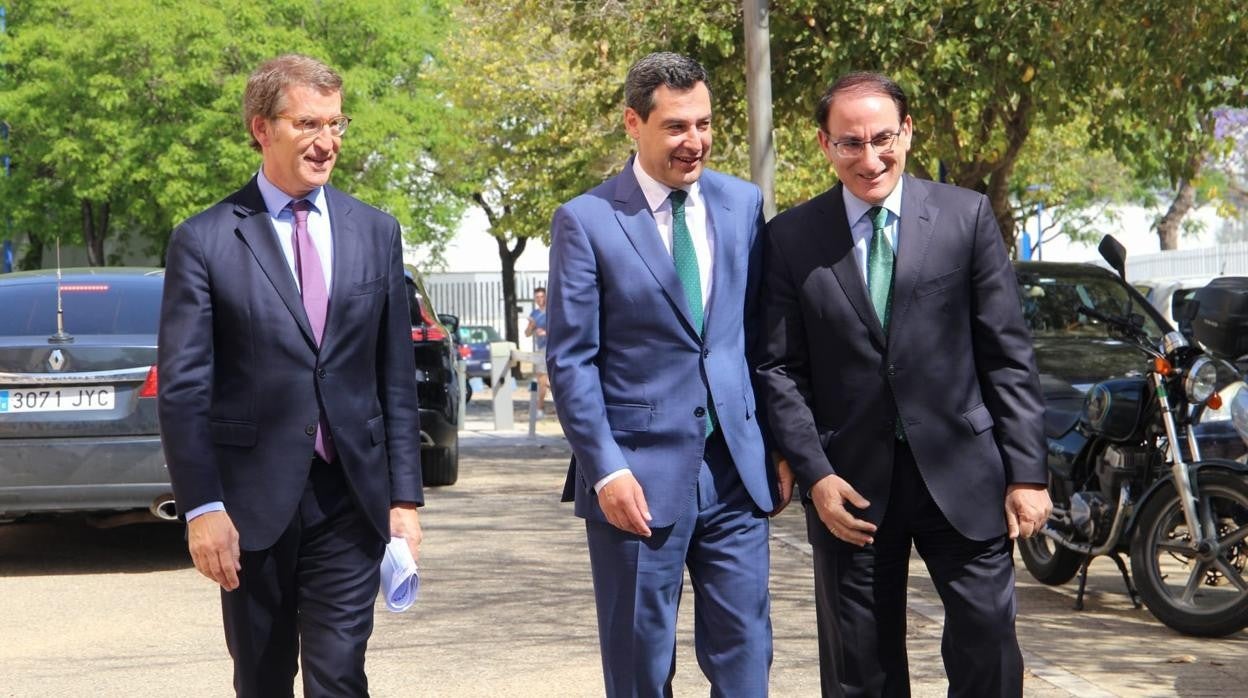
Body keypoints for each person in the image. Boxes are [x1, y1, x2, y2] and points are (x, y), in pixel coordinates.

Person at [755, 71, 1052, 697]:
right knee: (861, 670)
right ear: (824, 145)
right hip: (851, 488)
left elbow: (1007, 353)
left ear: (907, 133)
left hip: (965, 475)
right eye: (850, 143)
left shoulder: (964, 216)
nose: (870, 157)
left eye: (883, 138)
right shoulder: (790, 237)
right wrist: (815, 473)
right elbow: (778, 367)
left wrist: (1028, 474)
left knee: (990, 649)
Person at [158, 54, 424, 697]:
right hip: (250, 509)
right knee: (263, 677)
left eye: (337, 124)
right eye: (308, 123)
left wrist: (404, 499)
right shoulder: (205, 240)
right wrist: (203, 507)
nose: (327, 142)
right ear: (261, 128)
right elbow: (185, 388)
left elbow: (394, 376)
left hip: (349, 499)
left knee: (339, 674)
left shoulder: (376, 232)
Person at [546, 52, 792, 697]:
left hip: (737, 471)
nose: (696, 142)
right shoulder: (588, 220)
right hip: (637, 481)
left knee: (746, 657)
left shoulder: (742, 204)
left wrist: (783, 446)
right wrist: (606, 469)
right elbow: (571, 360)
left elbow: (760, 339)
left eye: (705, 124)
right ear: (634, 122)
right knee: (639, 666)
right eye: (677, 127)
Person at [524, 286, 550, 417]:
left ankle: (540, 408)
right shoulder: (534, 314)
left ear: (546, 297)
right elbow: (527, 334)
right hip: (540, 349)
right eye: (537, 297)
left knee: (543, 379)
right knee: (542, 379)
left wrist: (545, 332)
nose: (540, 299)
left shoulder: (552, 311)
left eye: (542, 296)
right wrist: (532, 327)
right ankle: (540, 408)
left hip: (551, 347)